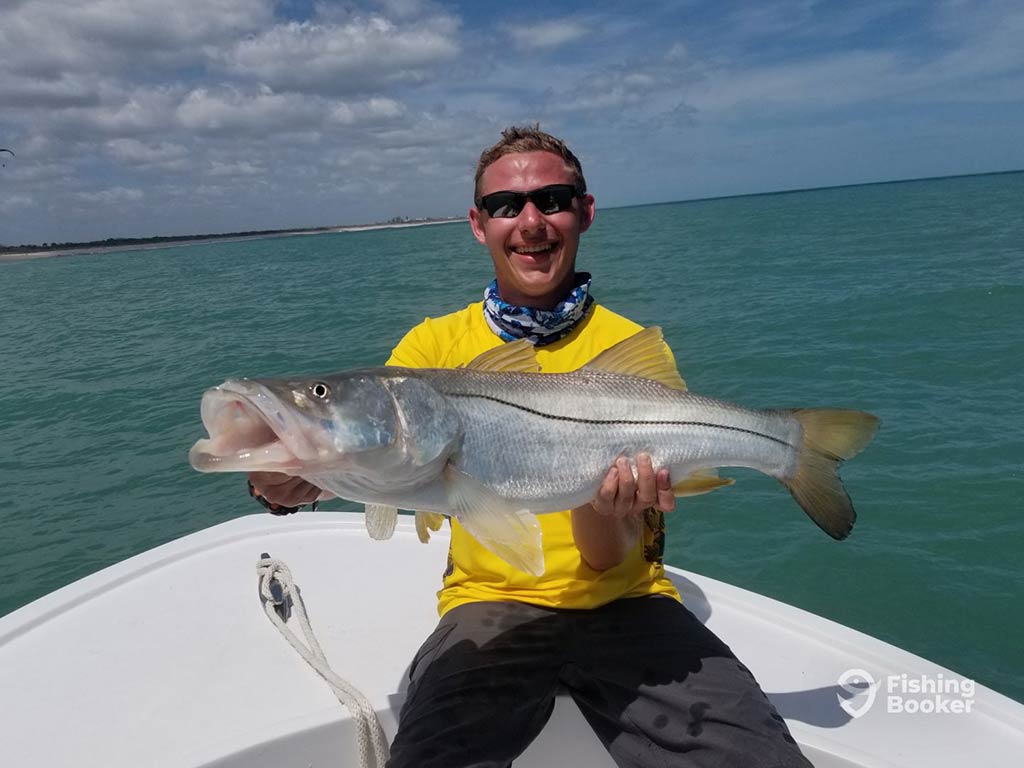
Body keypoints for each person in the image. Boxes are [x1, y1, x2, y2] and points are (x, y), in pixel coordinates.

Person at [249, 126, 812, 768]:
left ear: (586, 211)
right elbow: (379, 449)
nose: (531, 221)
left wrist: (604, 504)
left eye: (553, 199)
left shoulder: (632, 356)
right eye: (506, 206)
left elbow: (610, 561)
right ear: (477, 223)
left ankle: (788, 447)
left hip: (630, 604)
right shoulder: (428, 351)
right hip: (485, 611)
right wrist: (285, 480)